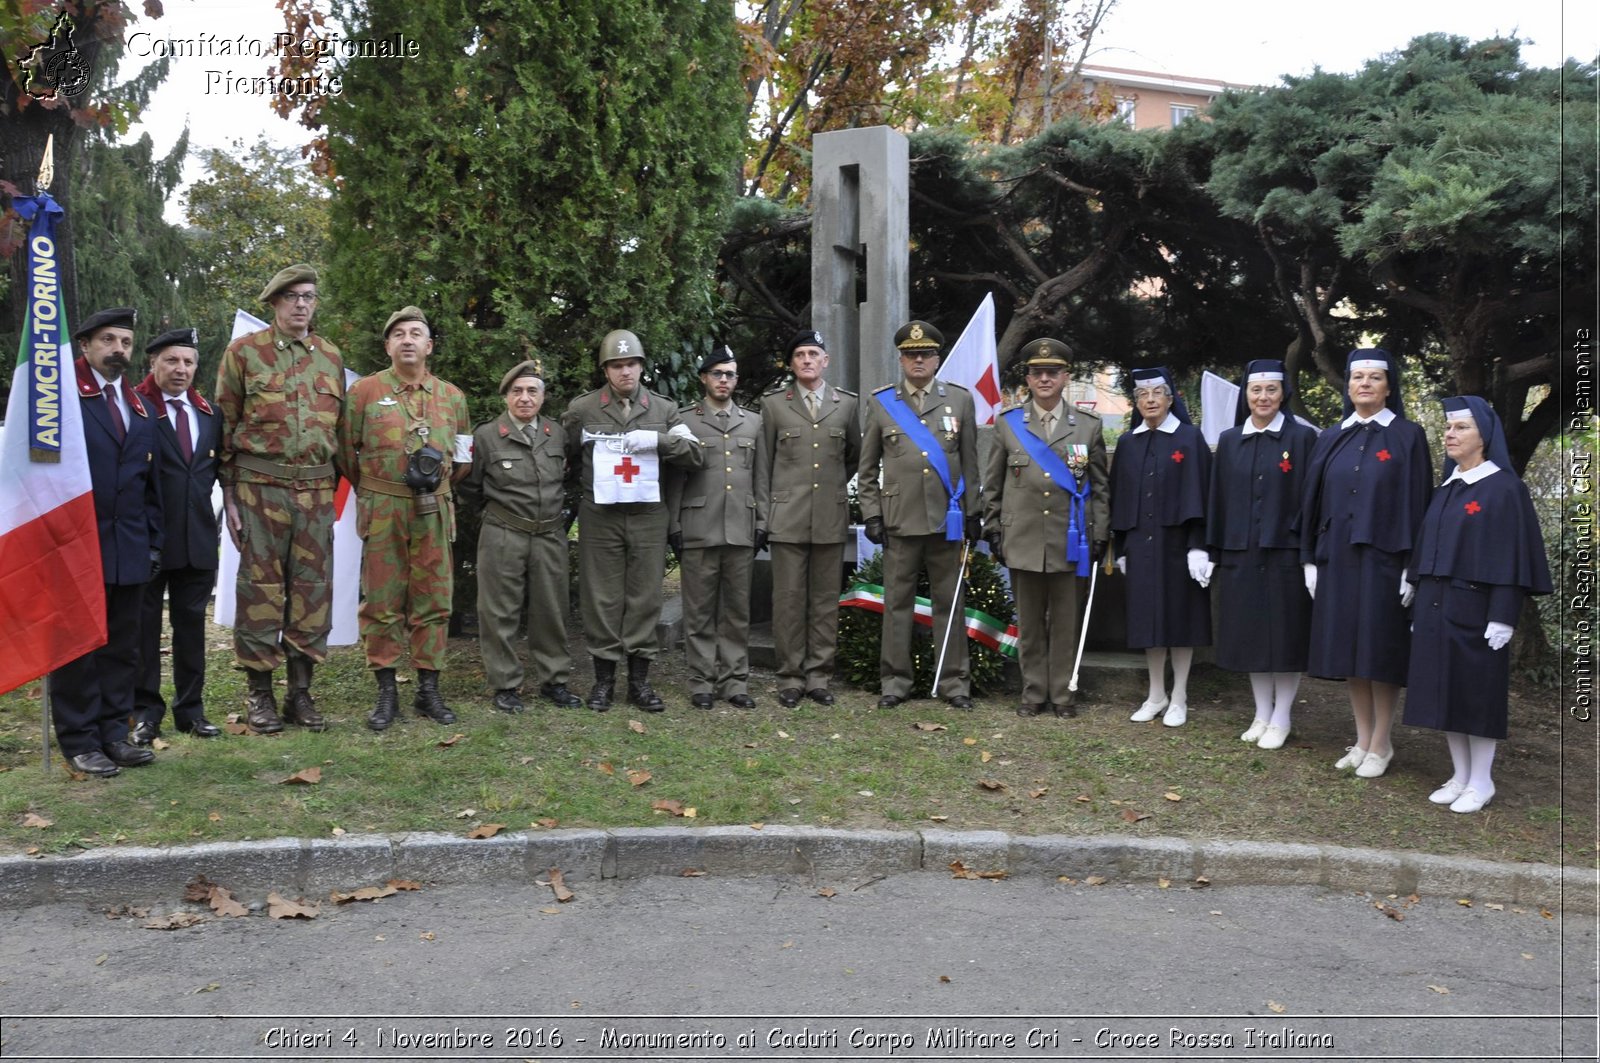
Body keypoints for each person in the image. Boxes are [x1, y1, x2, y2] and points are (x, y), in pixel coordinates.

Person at [1403, 396, 1551, 813]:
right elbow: (1429, 544)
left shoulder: (1505, 489)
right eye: (1448, 428)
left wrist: (1503, 614)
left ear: (1484, 436)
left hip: (1477, 610)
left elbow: (1512, 556)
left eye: (1461, 428)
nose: (1450, 434)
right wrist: (1414, 584)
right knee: (1444, 691)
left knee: (1476, 695)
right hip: (1436, 605)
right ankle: (1460, 775)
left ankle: (1482, 780)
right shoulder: (1446, 488)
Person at [214, 264, 344, 733]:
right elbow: (224, 425)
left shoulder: (329, 357)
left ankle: (300, 695)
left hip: (315, 492)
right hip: (259, 488)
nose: (302, 305)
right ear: (274, 303)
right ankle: (260, 695)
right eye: (291, 297)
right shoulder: (244, 353)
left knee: (311, 593)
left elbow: (340, 434)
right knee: (261, 591)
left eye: (308, 296)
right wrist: (229, 494)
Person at [1300, 348, 1432, 778]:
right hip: (1336, 556)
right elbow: (1312, 502)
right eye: (1358, 378)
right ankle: (1360, 738)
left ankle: (1382, 743)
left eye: (1375, 378)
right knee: (1348, 651)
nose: (1365, 385)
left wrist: (1413, 566)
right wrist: (1309, 559)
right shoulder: (1331, 435)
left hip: (1384, 559)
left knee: (1379, 650)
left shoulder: (1407, 436)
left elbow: (1419, 503)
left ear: (1389, 387)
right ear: (1349, 385)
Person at [339, 306, 471, 730]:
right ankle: (386, 691)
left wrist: (439, 485)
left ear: (429, 346)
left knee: (434, 598)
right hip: (384, 510)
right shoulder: (363, 393)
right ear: (388, 346)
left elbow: (464, 456)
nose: (407, 339)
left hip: (433, 511)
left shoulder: (452, 397)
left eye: (416, 333)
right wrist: (379, 489)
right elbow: (344, 452)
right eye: (398, 334)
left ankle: (428, 691)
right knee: (381, 600)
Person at [561, 329, 705, 712]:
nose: (625, 371)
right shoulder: (583, 410)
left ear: (641, 366)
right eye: (617, 365)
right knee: (601, 597)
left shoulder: (664, 410)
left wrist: (657, 441)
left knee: (644, 596)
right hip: (600, 514)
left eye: (631, 364)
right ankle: (603, 680)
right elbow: (565, 457)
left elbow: (694, 455)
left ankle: (639, 682)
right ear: (606, 370)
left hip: (647, 514)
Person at [51, 307, 162, 776]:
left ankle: (114, 733)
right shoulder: (59, 400)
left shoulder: (140, 407)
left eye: (126, 342)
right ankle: (79, 739)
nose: (119, 349)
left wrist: (153, 542)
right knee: (79, 646)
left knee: (122, 645)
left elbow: (150, 485)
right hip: (77, 544)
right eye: (109, 340)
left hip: (129, 545)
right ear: (85, 345)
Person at [857, 320, 982, 709]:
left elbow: (972, 463)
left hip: (948, 520)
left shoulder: (959, 400)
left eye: (925, 354)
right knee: (897, 604)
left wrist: (974, 513)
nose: (918, 360)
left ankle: (954, 683)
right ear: (901, 358)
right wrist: (873, 514)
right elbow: (866, 470)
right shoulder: (882, 402)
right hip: (899, 520)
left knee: (950, 602)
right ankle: (895, 683)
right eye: (911, 354)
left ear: (936, 358)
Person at [982, 338, 1108, 718]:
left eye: (1053, 372)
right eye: (1038, 372)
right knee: (1031, 622)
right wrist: (993, 529)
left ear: (1066, 377)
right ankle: (1033, 692)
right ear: (1029, 378)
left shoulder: (1087, 427)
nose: (1045, 378)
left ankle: (1063, 694)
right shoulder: (1008, 425)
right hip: (1022, 537)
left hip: (1072, 541)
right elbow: (993, 483)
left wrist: (1100, 532)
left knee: (1066, 622)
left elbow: (1100, 486)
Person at [459, 360, 583, 715]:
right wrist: (493, 516)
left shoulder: (556, 434)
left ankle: (555, 681)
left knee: (552, 610)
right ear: (506, 397)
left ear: (543, 397)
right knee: (499, 612)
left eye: (532, 391)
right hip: (504, 533)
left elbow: (568, 477)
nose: (525, 398)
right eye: (517, 391)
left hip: (548, 535)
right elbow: (469, 487)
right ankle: (505, 684)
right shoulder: (486, 436)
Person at [1205, 359, 1318, 750]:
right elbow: (1217, 498)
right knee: (1251, 635)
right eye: (1256, 390)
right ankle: (1261, 713)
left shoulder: (1302, 440)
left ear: (1283, 393)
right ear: (1246, 395)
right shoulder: (1231, 440)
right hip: (1240, 551)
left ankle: (1282, 715)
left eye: (1271, 389)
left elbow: (1310, 500)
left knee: (1284, 636)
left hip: (1284, 551)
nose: (1263, 397)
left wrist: (1308, 555)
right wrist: (1212, 549)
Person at [755, 329, 860, 708]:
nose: (807, 360)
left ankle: (819, 675)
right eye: (799, 354)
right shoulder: (773, 406)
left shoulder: (846, 404)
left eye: (813, 354)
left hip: (829, 515)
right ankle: (790, 676)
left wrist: (831, 488)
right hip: (787, 516)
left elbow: (854, 456)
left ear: (825, 360)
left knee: (824, 601)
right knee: (787, 600)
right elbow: (762, 464)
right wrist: (765, 516)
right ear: (791, 363)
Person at [131, 328, 223, 743]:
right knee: (144, 631)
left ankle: (191, 711)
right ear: (152, 363)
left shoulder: (208, 413)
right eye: (171, 360)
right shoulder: (134, 407)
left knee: (191, 629)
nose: (181, 369)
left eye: (188, 362)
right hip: (147, 541)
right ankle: (146, 712)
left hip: (197, 539)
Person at [1109, 366, 1211, 728]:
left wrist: (1199, 546)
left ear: (1170, 398)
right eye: (1142, 395)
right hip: (1140, 545)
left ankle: (1180, 695)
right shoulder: (1127, 443)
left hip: (1178, 546)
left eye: (1157, 394)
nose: (1150, 400)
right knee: (1148, 621)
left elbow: (1203, 493)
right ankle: (1156, 694)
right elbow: (1118, 497)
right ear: (1135, 402)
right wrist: (1121, 548)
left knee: (1180, 620)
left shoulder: (1189, 439)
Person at [668, 347, 761, 709]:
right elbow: (674, 478)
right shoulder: (684, 420)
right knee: (699, 611)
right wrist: (674, 523)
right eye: (717, 374)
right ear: (704, 378)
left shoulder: (754, 422)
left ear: (737, 380)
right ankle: (701, 682)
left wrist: (763, 520)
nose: (724, 380)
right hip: (698, 526)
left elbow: (761, 476)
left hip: (741, 526)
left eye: (731, 374)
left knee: (737, 612)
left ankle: (735, 682)